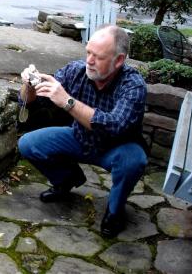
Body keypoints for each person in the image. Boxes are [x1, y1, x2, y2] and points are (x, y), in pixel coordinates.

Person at [18, 25, 147, 238]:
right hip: (80, 137)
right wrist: (29, 86)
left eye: (98, 56)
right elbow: (27, 101)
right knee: (28, 144)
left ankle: (115, 212)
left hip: (117, 147)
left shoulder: (133, 85)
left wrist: (68, 102)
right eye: (88, 52)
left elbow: (114, 126)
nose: (89, 60)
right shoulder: (75, 71)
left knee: (133, 162)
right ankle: (66, 181)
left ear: (119, 60)